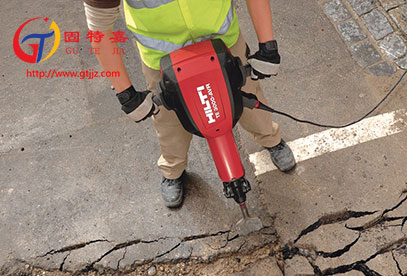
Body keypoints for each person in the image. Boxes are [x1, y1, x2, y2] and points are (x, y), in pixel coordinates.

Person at [83, 0, 296, 207]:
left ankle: (270, 139)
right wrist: (126, 94)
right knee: (170, 124)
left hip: (225, 41)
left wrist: (268, 45)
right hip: (162, 59)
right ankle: (172, 171)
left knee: (249, 100)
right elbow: (99, 27)